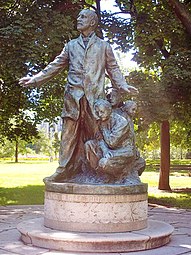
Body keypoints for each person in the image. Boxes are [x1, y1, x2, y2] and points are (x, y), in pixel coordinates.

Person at [19, 9, 138, 181]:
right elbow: (55, 65)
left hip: (95, 101)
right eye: (79, 16)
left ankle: (101, 170)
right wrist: (36, 79)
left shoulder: (104, 46)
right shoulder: (71, 46)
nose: (78, 19)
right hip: (73, 98)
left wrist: (122, 85)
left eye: (83, 17)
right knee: (68, 134)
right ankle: (63, 169)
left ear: (92, 22)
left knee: (97, 136)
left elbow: (113, 69)